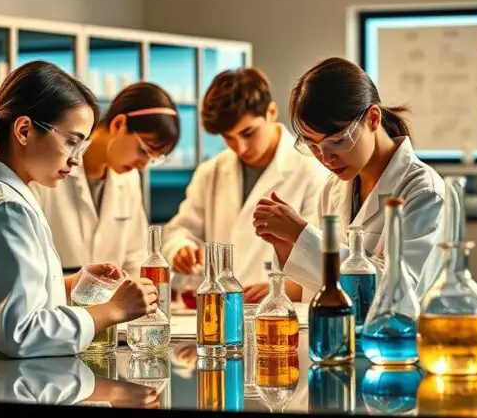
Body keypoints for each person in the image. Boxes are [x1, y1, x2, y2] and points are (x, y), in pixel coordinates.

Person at [0, 61, 157, 358]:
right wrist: (113, 310)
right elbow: (22, 333)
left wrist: (70, 284)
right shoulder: (5, 207)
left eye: (81, 147)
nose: (76, 160)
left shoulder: (4, 194)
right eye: (72, 142)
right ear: (24, 130)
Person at [250, 57, 444, 295]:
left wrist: (301, 234)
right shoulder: (332, 189)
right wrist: (289, 248)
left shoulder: (422, 190)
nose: (326, 158)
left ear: (373, 119)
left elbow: (397, 291)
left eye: (338, 141)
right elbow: (326, 288)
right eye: (313, 145)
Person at [160, 68, 328, 302]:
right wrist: (181, 248)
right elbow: (180, 230)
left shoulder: (312, 170)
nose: (239, 147)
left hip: (282, 309)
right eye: (228, 137)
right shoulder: (211, 171)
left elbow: (319, 255)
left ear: (271, 112)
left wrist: (282, 289)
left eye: (248, 133)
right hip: (222, 308)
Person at [33, 83, 180, 278]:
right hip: (54, 294)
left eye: (153, 158)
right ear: (118, 124)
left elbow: (135, 257)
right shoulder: (52, 166)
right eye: (144, 151)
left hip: (113, 297)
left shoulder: (129, 179)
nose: (143, 166)